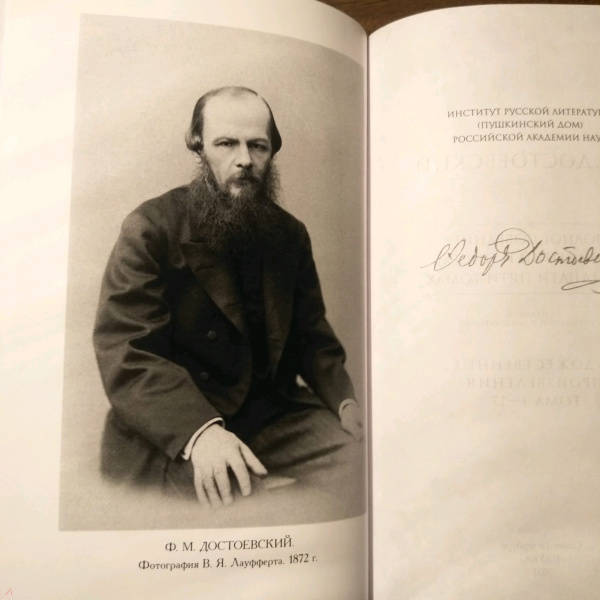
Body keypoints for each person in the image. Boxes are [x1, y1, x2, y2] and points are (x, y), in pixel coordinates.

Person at [93, 86, 363, 510]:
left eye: (257, 146)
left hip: (270, 413)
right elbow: (128, 352)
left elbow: (311, 335)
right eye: (226, 144)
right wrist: (201, 433)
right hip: (178, 420)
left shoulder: (289, 235)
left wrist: (345, 402)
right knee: (234, 501)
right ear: (198, 146)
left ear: (272, 151)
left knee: (360, 465)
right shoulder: (151, 228)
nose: (244, 160)